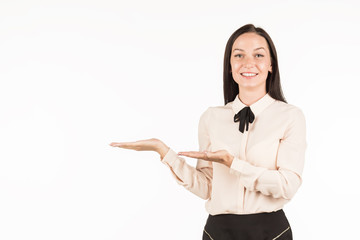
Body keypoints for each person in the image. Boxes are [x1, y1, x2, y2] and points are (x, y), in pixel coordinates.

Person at [110, 23, 307, 240]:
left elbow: (287, 186)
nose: (248, 63)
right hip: (219, 232)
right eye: (239, 56)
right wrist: (164, 152)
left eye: (258, 55)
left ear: (271, 64)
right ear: (230, 65)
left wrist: (233, 163)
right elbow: (207, 187)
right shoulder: (211, 118)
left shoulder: (290, 116)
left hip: (270, 232)